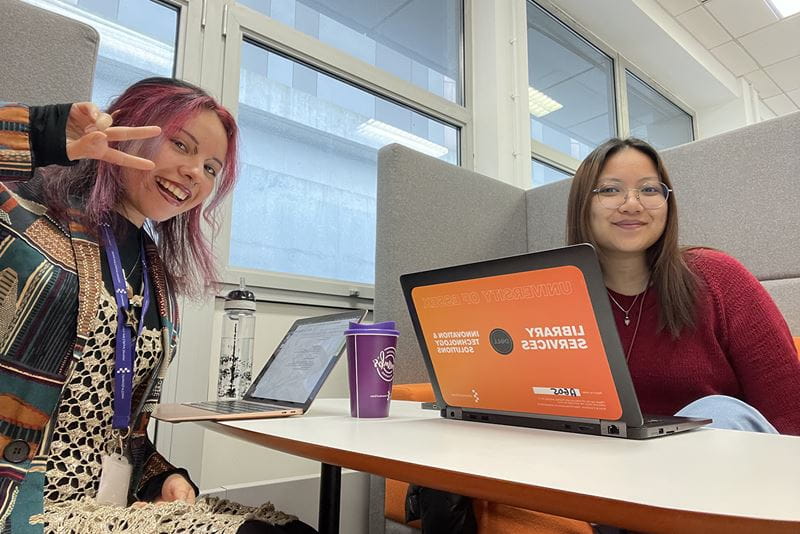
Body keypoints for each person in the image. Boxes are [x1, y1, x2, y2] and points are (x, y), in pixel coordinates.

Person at [407, 136, 800, 534]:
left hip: (726, 478)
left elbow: (790, 413)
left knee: (720, 411)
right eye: (611, 190)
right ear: (584, 204)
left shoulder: (717, 278)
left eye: (649, 189)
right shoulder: (553, 297)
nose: (632, 203)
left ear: (667, 203)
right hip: (611, 481)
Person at [0, 78, 316, 533]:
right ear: (129, 129)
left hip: (104, 509)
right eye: (181, 145)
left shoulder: (155, 274)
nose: (194, 173)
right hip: (22, 506)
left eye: (211, 167)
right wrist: (43, 133)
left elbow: (115, 428)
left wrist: (160, 477)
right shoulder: (24, 210)